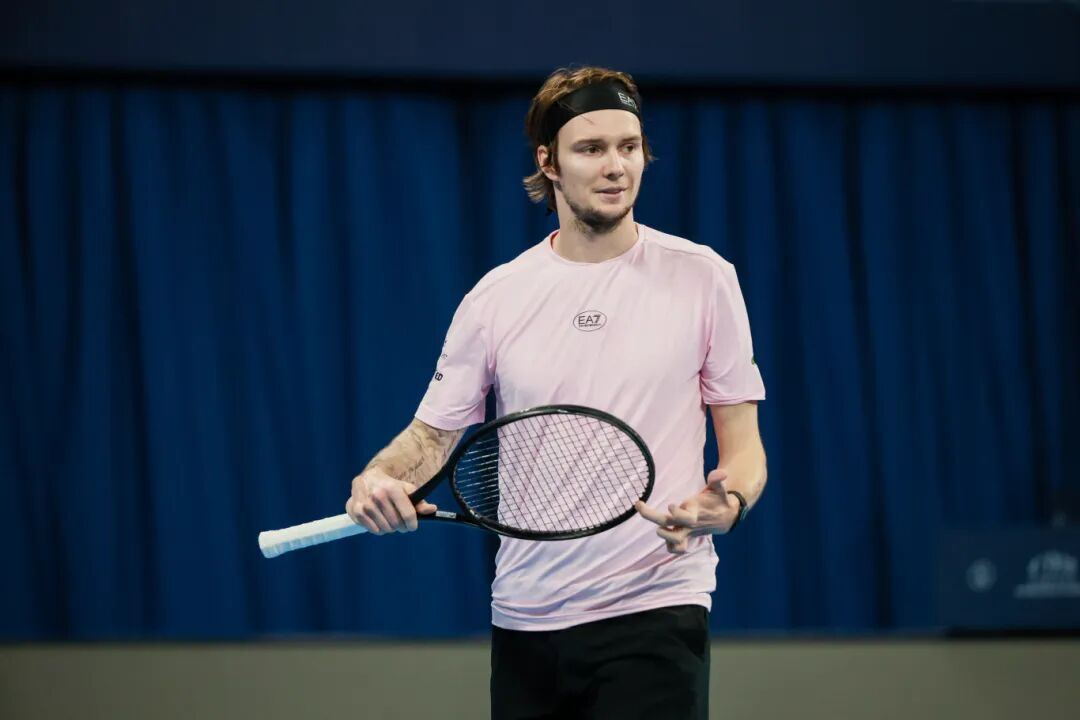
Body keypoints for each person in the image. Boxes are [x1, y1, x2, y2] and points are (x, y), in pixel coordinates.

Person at [346, 66, 767, 720]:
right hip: (525, 620)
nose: (616, 166)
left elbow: (744, 451)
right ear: (549, 162)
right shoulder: (495, 297)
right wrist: (377, 478)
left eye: (629, 146)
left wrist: (728, 502)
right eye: (591, 148)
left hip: (657, 607)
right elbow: (430, 438)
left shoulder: (705, 278)